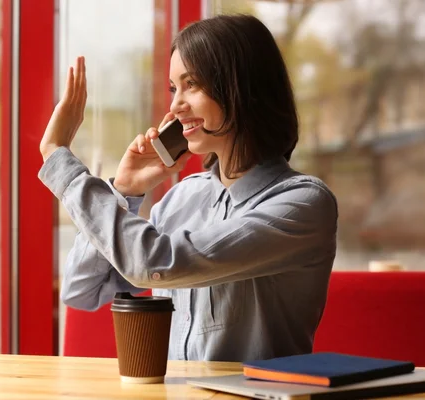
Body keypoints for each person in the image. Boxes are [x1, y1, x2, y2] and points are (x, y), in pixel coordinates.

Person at [38, 14, 338, 362]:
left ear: (241, 88)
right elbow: (81, 289)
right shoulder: (185, 197)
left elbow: (154, 263)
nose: (175, 105)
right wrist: (124, 190)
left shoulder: (302, 203)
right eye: (172, 88)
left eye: (191, 84)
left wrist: (60, 162)